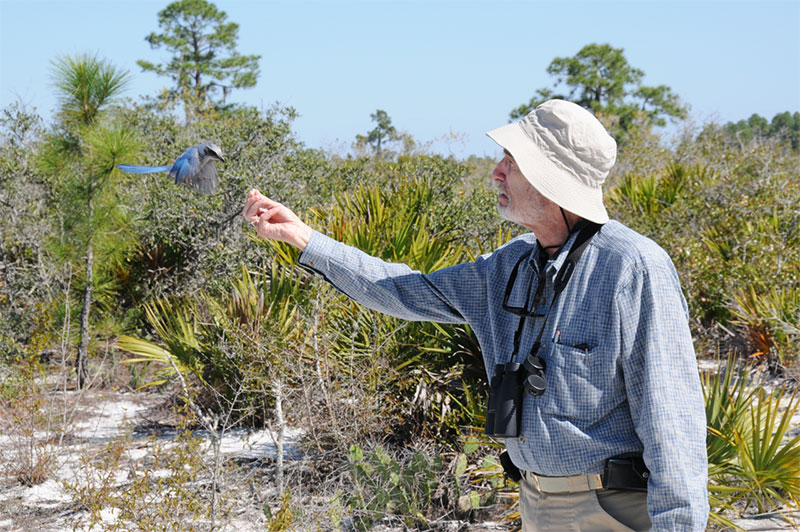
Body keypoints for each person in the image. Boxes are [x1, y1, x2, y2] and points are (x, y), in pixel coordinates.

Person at [242, 99, 709, 532]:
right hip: (535, 504)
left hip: (614, 511)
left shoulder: (632, 267)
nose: (496, 172)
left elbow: (671, 422)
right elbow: (402, 291)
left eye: (512, 161)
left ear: (551, 178)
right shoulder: (507, 266)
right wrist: (305, 239)